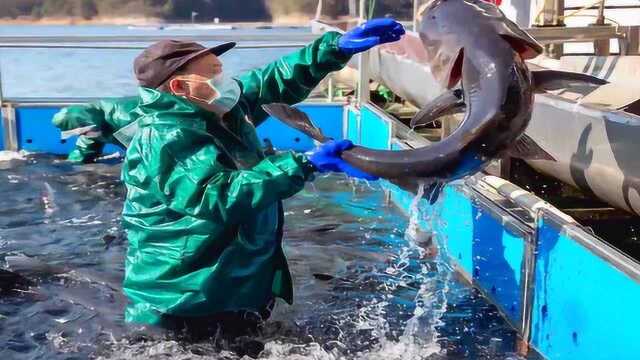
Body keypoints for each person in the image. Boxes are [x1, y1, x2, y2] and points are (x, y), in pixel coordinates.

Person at [59, 19, 405, 345]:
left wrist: (336, 49)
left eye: (221, 71)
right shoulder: (164, 136)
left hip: (227, 286)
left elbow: (271, 81)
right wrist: (303, 164)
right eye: (213, 74)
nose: (225, 81)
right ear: (180, 87)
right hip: (181, 298)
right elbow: (216, 195)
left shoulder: (215, 108)